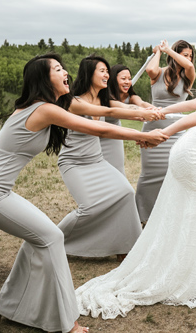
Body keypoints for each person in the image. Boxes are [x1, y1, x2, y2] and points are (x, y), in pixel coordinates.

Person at [0, 53, 166, 333]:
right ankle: (67, 323)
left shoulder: (47, 107)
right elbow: (93, 126)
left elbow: (105, 115)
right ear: (44, 80)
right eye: (58, 69)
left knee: (40, 238)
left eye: (63, 68)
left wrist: (138, 114)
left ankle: (6, 307)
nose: (65, 72)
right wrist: (141, 135)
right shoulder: (42, 109)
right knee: (51, 238)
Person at [77, 59, 196, 318]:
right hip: (191, 156)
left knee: (193, 212)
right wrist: (164, 132)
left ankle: (187, 268)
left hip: (191, 154)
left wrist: (163, 111)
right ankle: (190, 274)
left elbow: (193, 103)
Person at [57, 55, 164, 259]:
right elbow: (110, 112)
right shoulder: (75, 101)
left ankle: (127, 248)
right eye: (102, 71)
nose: (107, 75)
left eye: (108, 71)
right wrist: (140, 125)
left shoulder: (103, 98)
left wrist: (150, 110)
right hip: (74, 162)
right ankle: (53, 239)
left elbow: (125, 107)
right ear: (89, 74)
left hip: (96, 160)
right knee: (90, 207)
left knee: (125, 193)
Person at [137, 39, 196, 223]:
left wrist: (168, 49)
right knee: (149, 175)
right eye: (184, 54)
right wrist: (158, 53)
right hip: (152, 127)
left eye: (190, 55)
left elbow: (187, 65)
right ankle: (142, 217)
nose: (188, 58)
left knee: (173, 173)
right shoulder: (159, 73)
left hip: (176, 131)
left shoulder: (188, 75)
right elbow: (149, 70)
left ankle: (170, 216)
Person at [101, 64, 159, 175]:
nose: (127, 82)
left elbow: (141, 103)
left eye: (129, 78)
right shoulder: (106, 98)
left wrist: (154, 109)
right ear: (113, 80)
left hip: (115, 136)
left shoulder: (131, 96)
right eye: (123, 79)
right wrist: (142, 113)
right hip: (99, 133)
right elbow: (125, 108)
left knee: (117, 169)